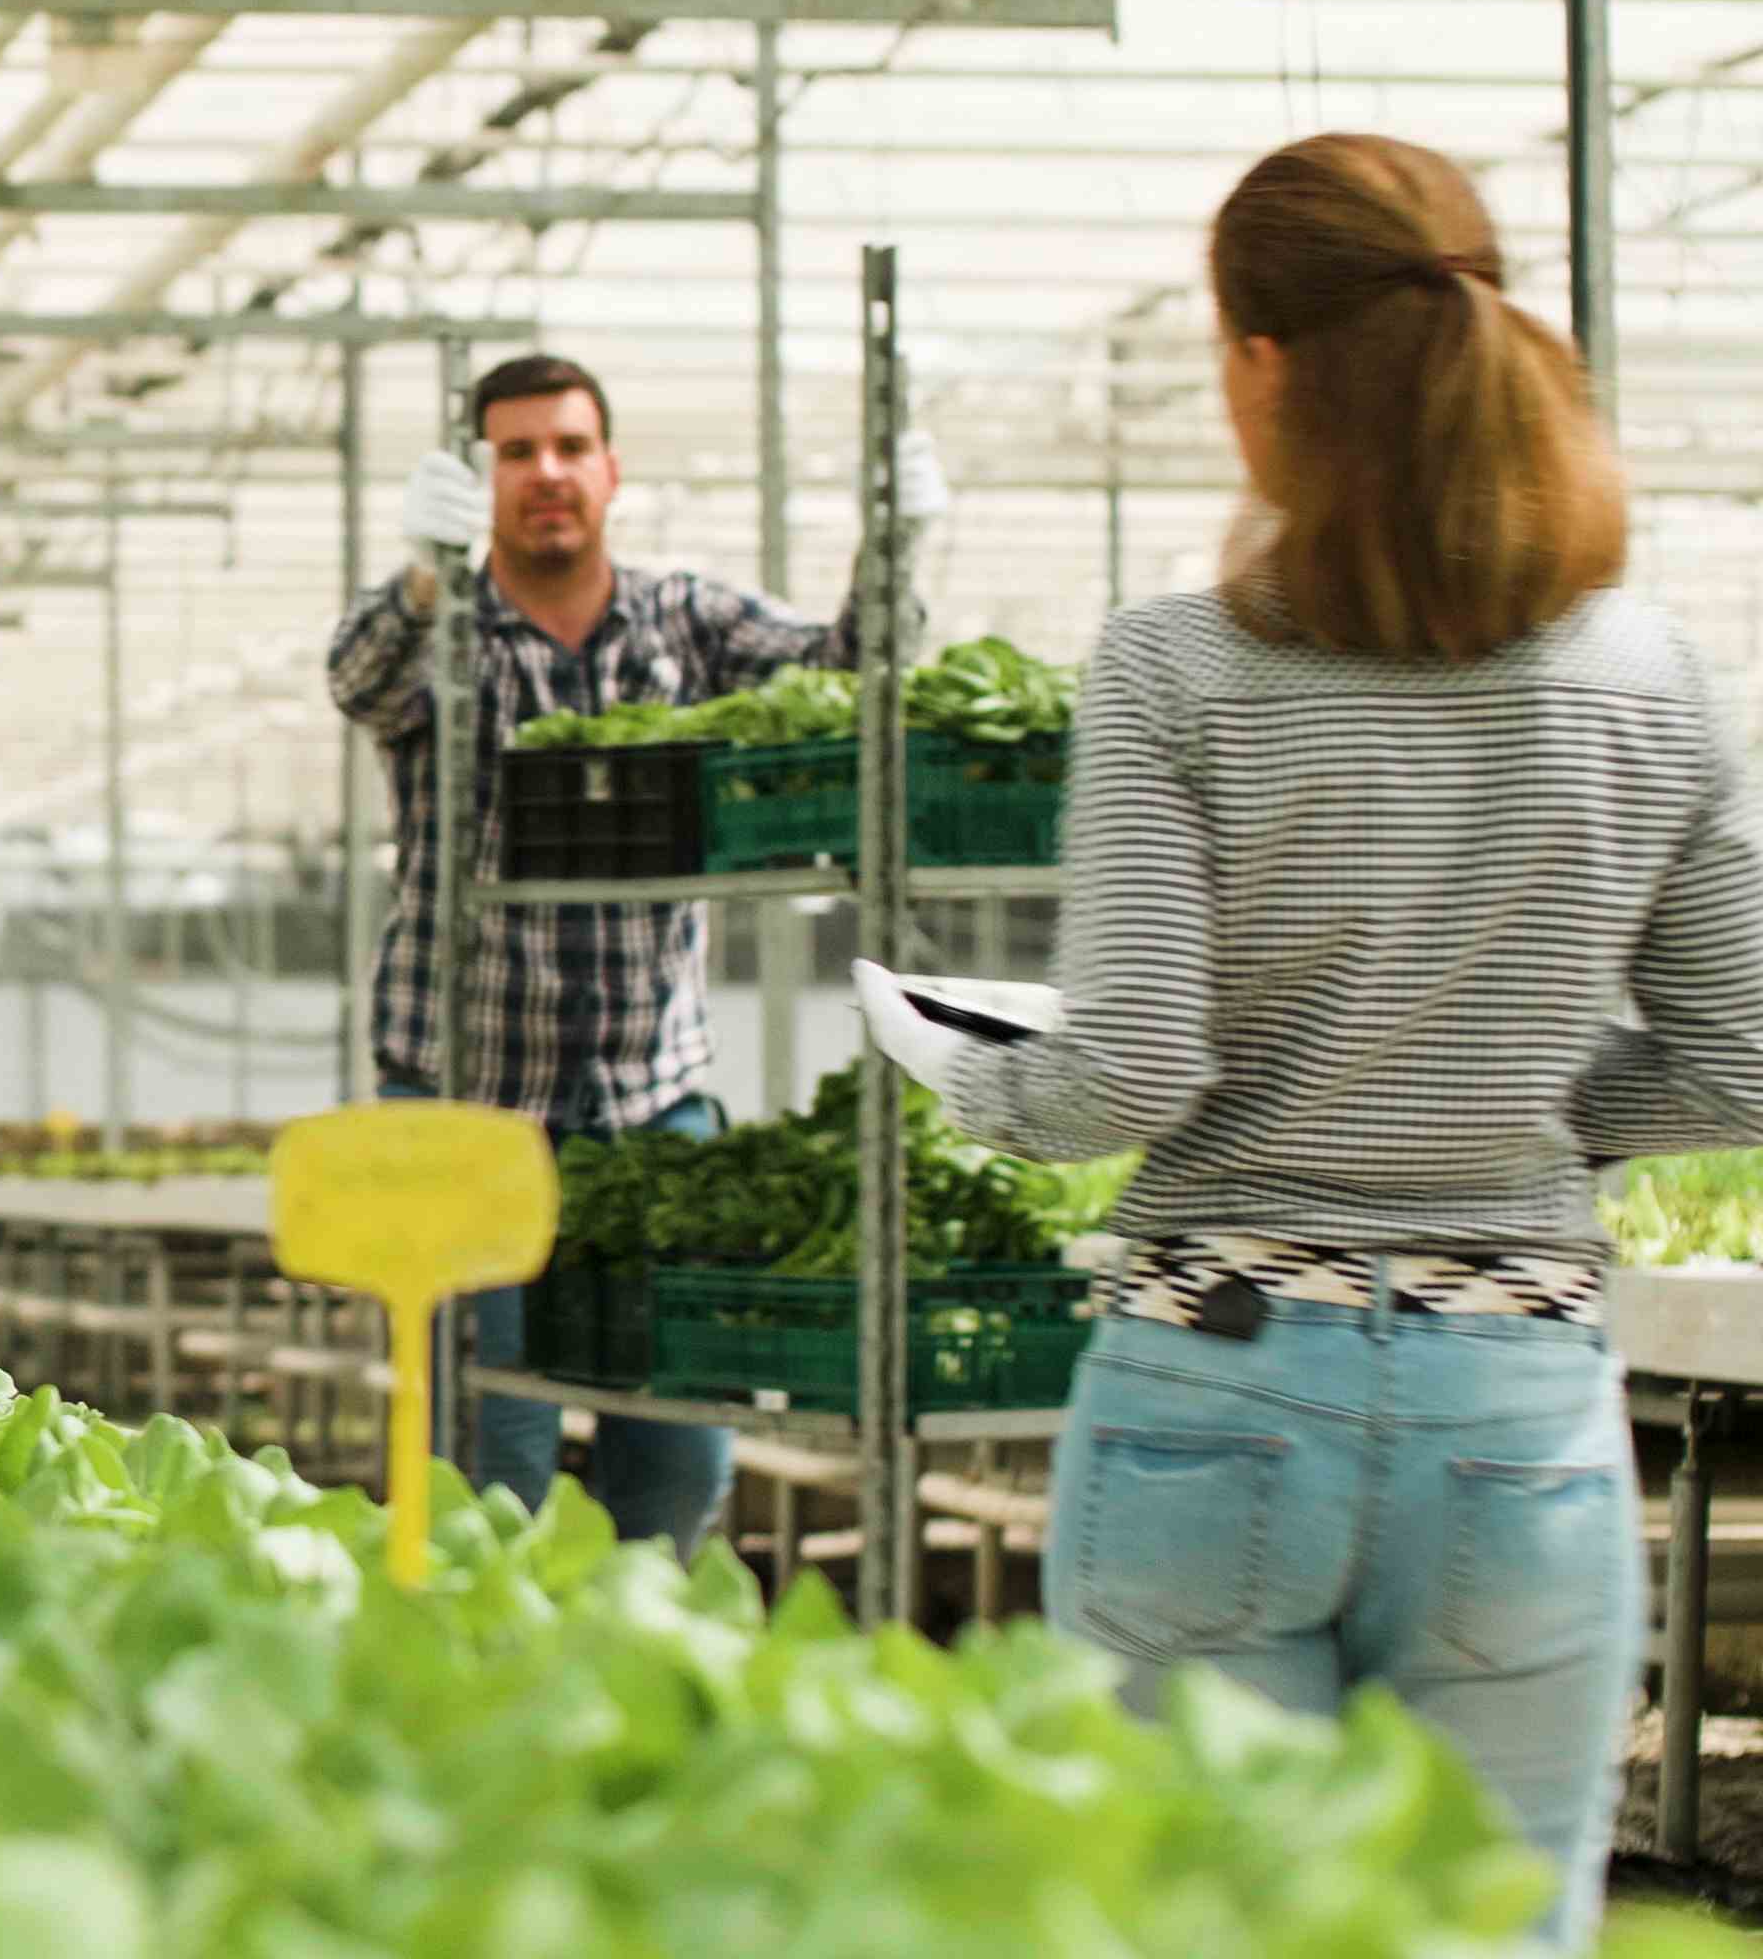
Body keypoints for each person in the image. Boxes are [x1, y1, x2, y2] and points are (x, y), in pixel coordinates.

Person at [864, 131, 1762, 1953]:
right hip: (1517, 1405)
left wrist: (960, 1068)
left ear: (1264, 367)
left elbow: (1129, 1068)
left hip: (1220, 1380)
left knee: (1193, 1924)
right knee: (1498, 1930)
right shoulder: (1639, 676)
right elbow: (1744, 1056)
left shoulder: (1181, 671)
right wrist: (1527, 1119)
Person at [324, 353, 945, 1559]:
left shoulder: (683, 621)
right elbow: (357, 680)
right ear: (478, 479)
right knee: (486, 1455)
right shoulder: (446, 634)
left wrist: (899, 547)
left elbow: (852, 675)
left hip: (649, 1101)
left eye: (568, 448)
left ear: (611, 469)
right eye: (514, 454)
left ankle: (628, 1661)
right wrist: (420, 579)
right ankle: (485, 1686)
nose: (545, 475)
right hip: (464, 1108)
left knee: (679, 1450)